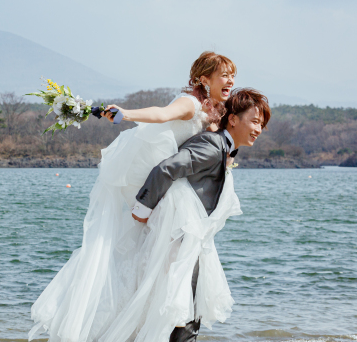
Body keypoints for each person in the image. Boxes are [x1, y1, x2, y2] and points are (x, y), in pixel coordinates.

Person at [29, 52, 236, 342]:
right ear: (204, 79)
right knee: (161, 256)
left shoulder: (213, 107)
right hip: (152, 178)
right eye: (224, 75)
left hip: (165, 180)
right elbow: (161, 114)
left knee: (147, 255)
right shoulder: (189, 102)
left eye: (232, 76)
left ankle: (148, 323)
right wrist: (127, 114)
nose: (230, 81)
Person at [100, 88, 270, 342]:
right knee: (182, 312)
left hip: (188, 239)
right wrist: (142, 210)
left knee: (184, 310)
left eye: (262, 124)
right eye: (254, 121)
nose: (258, 129)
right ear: (233, 119)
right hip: (179, 239)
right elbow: (166, 169)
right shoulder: (213, 146)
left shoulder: (222, 147)